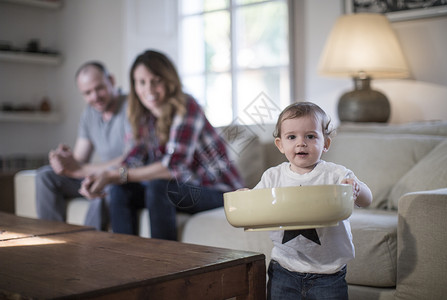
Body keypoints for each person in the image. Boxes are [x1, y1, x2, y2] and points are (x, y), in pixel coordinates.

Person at [79, 49, 244, 240]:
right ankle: (124, 260)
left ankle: (164, 265)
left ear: (168, 80)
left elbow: (172, 168)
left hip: (219, 192)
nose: (148, 89)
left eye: (155, 81)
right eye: (141, 82)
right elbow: (132, 159)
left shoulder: (186, 106)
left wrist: (114, 174)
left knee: (160, 186)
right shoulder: (146, 118)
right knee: (119, 189)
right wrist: (100, 177)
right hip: (184, 189)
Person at [249, 102, 372, 300]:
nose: (301, 143)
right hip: (284, 269)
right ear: (280, 145)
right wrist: (245, 194)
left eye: (311, 136)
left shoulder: (335, 174)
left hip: (329, 273)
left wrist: (356, 187)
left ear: (326, 143)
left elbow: (367, 200)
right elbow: (253, 204)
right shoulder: (272, 176)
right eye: (292, 137)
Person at [35, 62, 129, 231]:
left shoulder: (130, 108)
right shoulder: (89, 113)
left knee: (101, 189)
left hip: (120, 175)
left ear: (111, 80)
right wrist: (65, 160)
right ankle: (51, 240)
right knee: (45, 176)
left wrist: (88, 171)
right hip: (98, 173)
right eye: (87, 93)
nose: (94, 97)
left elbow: (130, 160)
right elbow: (79, 161)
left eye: (99, 88)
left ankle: (87, 251)